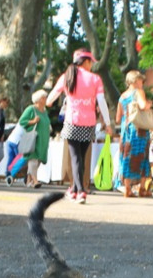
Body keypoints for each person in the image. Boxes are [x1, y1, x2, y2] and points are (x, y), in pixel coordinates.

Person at [46, 50, 114, 203]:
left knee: (76, 158)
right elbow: (101, 102)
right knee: (81, 159)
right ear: (86, 61)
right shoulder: (95, 79)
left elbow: (52, 96)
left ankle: (79, 190)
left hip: (72, 122)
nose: (91, 66)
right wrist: (107, 123)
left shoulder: (67, 76)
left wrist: (48, 102)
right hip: (89, 123)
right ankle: (77, 189)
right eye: (91, 63)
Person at [115, 70, 153, 197]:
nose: (142, 83)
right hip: (138, 130)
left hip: (126, 130)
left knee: (126, 157)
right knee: (142, 157)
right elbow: (143, 106)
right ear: (136, 81)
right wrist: (149, 104)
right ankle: (142, 188)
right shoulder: (138, 92)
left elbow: (117, 117)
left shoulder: (122, 97)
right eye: (141, 80)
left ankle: (127, 188)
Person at [15, 90, 52, 188]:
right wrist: (33, 121)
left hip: (43, 139)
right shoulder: (31, 109)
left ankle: (28, 181)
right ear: (38, 100)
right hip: (34, 138)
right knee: (33, 159)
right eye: (43, 98)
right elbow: (22, 121)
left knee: (38, 160)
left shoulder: (44, 111)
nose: (45, 99)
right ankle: (35, 181)